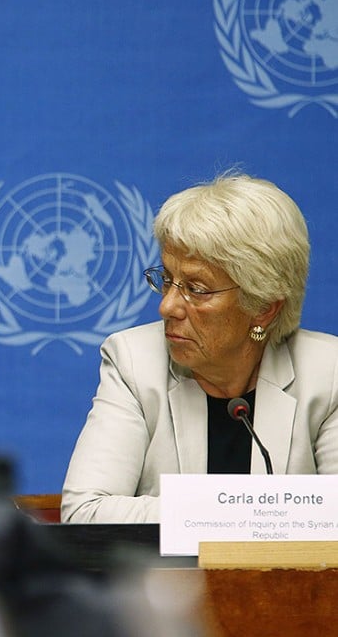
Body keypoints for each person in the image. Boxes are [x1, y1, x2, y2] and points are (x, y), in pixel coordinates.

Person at [61, 173, 338, 523]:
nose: (168, 307)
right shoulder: (134, 361)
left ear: (264, 307)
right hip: (168, 579)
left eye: (197, 289)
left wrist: (206, 514)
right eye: (167, 280)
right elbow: (86, 513)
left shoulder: (328, 373)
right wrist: (255, 516)